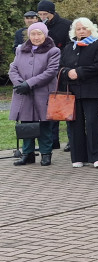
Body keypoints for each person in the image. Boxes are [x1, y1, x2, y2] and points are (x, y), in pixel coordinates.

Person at [59, 18, 98, 168]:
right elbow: (61, 67)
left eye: (84, 28)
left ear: (91, 29)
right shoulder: (68, 47)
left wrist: (79, 72)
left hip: (91, 90)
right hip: (72, 91)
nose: (81, 31)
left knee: (93, 123)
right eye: (78, 29)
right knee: (75, 124)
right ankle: (78, 156)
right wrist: (68, 72)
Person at [10, 23, 60, 166]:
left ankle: (46, 153)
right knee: (26, 123)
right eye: (33, 34)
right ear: (29, 35)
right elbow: (13, 68)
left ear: (45, 35)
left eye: (39, 34)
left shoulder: (53, 51)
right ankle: (28, 154)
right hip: (24, 93)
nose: (36, 37)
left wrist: (29, 83)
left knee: (44, 124)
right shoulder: (20, 50)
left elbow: (50, 72)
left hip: (43, 92)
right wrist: (20, 83)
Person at [36, 0, 72, 152]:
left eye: (45, 14)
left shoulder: (66, 25)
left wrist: (61, 65)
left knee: (67, 104)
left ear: (52, 13)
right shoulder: (39, 28)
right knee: (50, 105)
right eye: (40, 14)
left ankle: (72, 140)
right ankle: (53, 140)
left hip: (62, 70)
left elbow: (69, 47)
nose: (43, 17)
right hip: (45, 72)